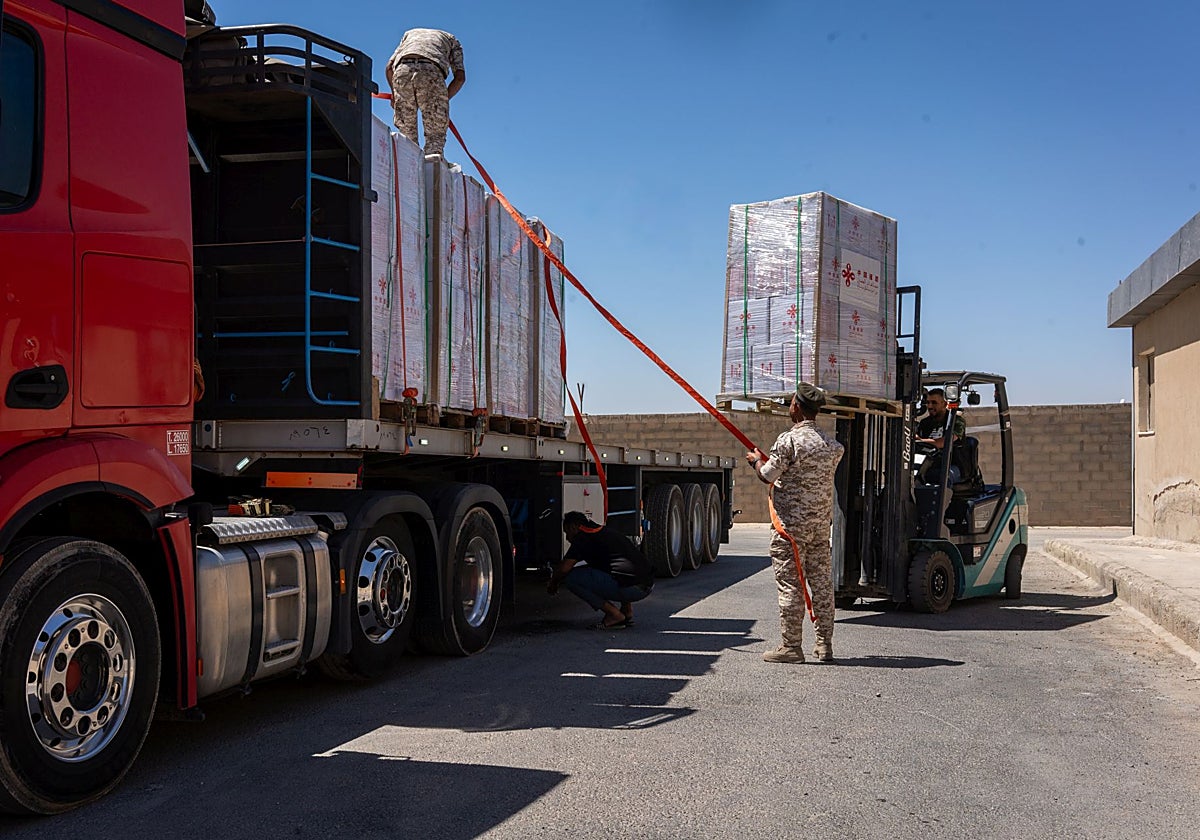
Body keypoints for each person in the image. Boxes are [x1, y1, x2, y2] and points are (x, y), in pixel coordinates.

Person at [745, 383, 844, 664]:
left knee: (790, 584)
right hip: (819, 527)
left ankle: (791, 646)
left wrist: (755, 461)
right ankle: (824, 645)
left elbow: (767, 474)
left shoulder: (789, 441)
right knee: (822, 584)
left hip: (789, 528)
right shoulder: (833, 447)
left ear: (796, 407)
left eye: (790, 403)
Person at [547, 511, 654, 629]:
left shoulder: (582, 538)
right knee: (613, 568)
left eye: (567, 532)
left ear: (573, 527)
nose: (567, 538)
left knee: (571, 579)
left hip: (634, 590)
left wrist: (553, 583)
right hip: (647, 584)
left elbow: (564, 569)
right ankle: (626, 611)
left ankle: (613, 615)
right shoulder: (605, 532)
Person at [385, 28, 465, 158]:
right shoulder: (452, 40)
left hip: (402, 70)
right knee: (435, 139)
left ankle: (408, 170)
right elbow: (460, 78)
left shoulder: (409, 34)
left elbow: (389, 67)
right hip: (431, 70)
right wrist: (442, 100)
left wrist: (395, 94)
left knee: (407, 138)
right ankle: (432, 174)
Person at [915, 387, 967, 484]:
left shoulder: (955, 421)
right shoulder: (924, 423)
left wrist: (920, 441)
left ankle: (943, 498)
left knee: (942, 477)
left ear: (944, 404)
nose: (929, 406)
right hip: (928, 463)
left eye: (934, 403)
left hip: (951, 463)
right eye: (928, 402)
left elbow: (944, 442)